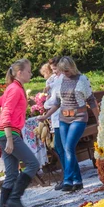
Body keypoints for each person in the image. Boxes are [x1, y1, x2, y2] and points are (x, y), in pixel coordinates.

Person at [0, 59, 40, 207]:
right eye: (28, 71)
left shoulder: (13, 89)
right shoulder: (15, 90)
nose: (31, 74)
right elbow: (6, 114)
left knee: (11, 174)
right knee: (33, 163)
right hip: (8, 134)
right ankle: (15, 198)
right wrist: (10, 138)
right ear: (19, 73)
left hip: (5, 133)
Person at [39, 57, 99, 192]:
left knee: (68, 147)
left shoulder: (82, 79)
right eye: (62, 71)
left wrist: (98, 118)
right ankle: (77, 181)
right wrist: (46, 115)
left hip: (78, 117)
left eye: (66, 70)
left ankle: (67, 179)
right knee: (67, 149)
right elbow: (57, 102)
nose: (64, 73)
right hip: (63, 118)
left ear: (72, 67)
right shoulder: (60, 80)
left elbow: (91, 100)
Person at [43, 57, 64, 189]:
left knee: (61, 146)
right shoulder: (55, 79)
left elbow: (55, 101)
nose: (54, 72)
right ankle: (68, 175)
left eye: (55, 69)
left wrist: (45, 103)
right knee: (59, 147)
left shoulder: (63, 79)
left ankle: (69, 175)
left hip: (63, 116)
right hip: (56, 118)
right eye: (52, 70)